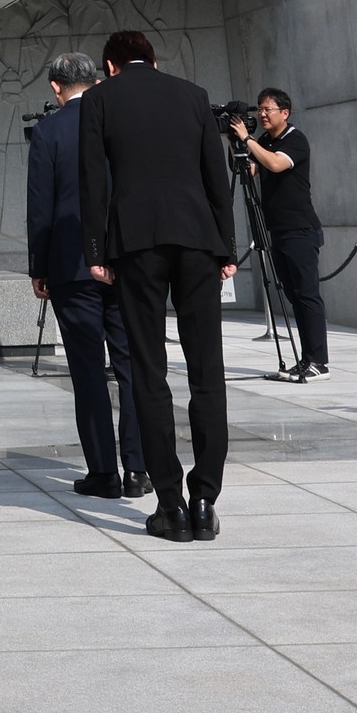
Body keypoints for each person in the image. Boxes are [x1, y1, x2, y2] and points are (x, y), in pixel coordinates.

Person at [79, 28, 237, 541]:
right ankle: (206, 498)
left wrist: (96, 253)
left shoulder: (99, 100)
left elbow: (92, 181)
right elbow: (217, 176)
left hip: (137, 243)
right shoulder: (193, 95)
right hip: (197, 241)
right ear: (153, 59)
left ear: (109, 65)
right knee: (206, 370)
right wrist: (226, 250)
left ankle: (169, 503)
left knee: (148, 371)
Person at [26, 52, 148, 498]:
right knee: (131, 365)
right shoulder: (120, 124)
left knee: (88, 371)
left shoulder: (48, 131)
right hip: (125, 259)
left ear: (56, 88)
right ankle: (137, 466)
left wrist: (39, 266)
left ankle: (103, 470)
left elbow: (41, 206)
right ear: (95, 82)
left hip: (71, 266)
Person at [230, 86, 328, 380]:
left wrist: (247, 139)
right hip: (277, 229)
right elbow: (250, 171)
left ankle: (319, 362)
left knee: (307, 294)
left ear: (284, 113)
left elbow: (274, 164)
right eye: (259, 109)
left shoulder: (295, 140)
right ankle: (305, 358)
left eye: (267, 109)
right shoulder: (263, 140)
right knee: (294, 295)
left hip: (300, 229)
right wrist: (237, 146)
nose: (261, 114)